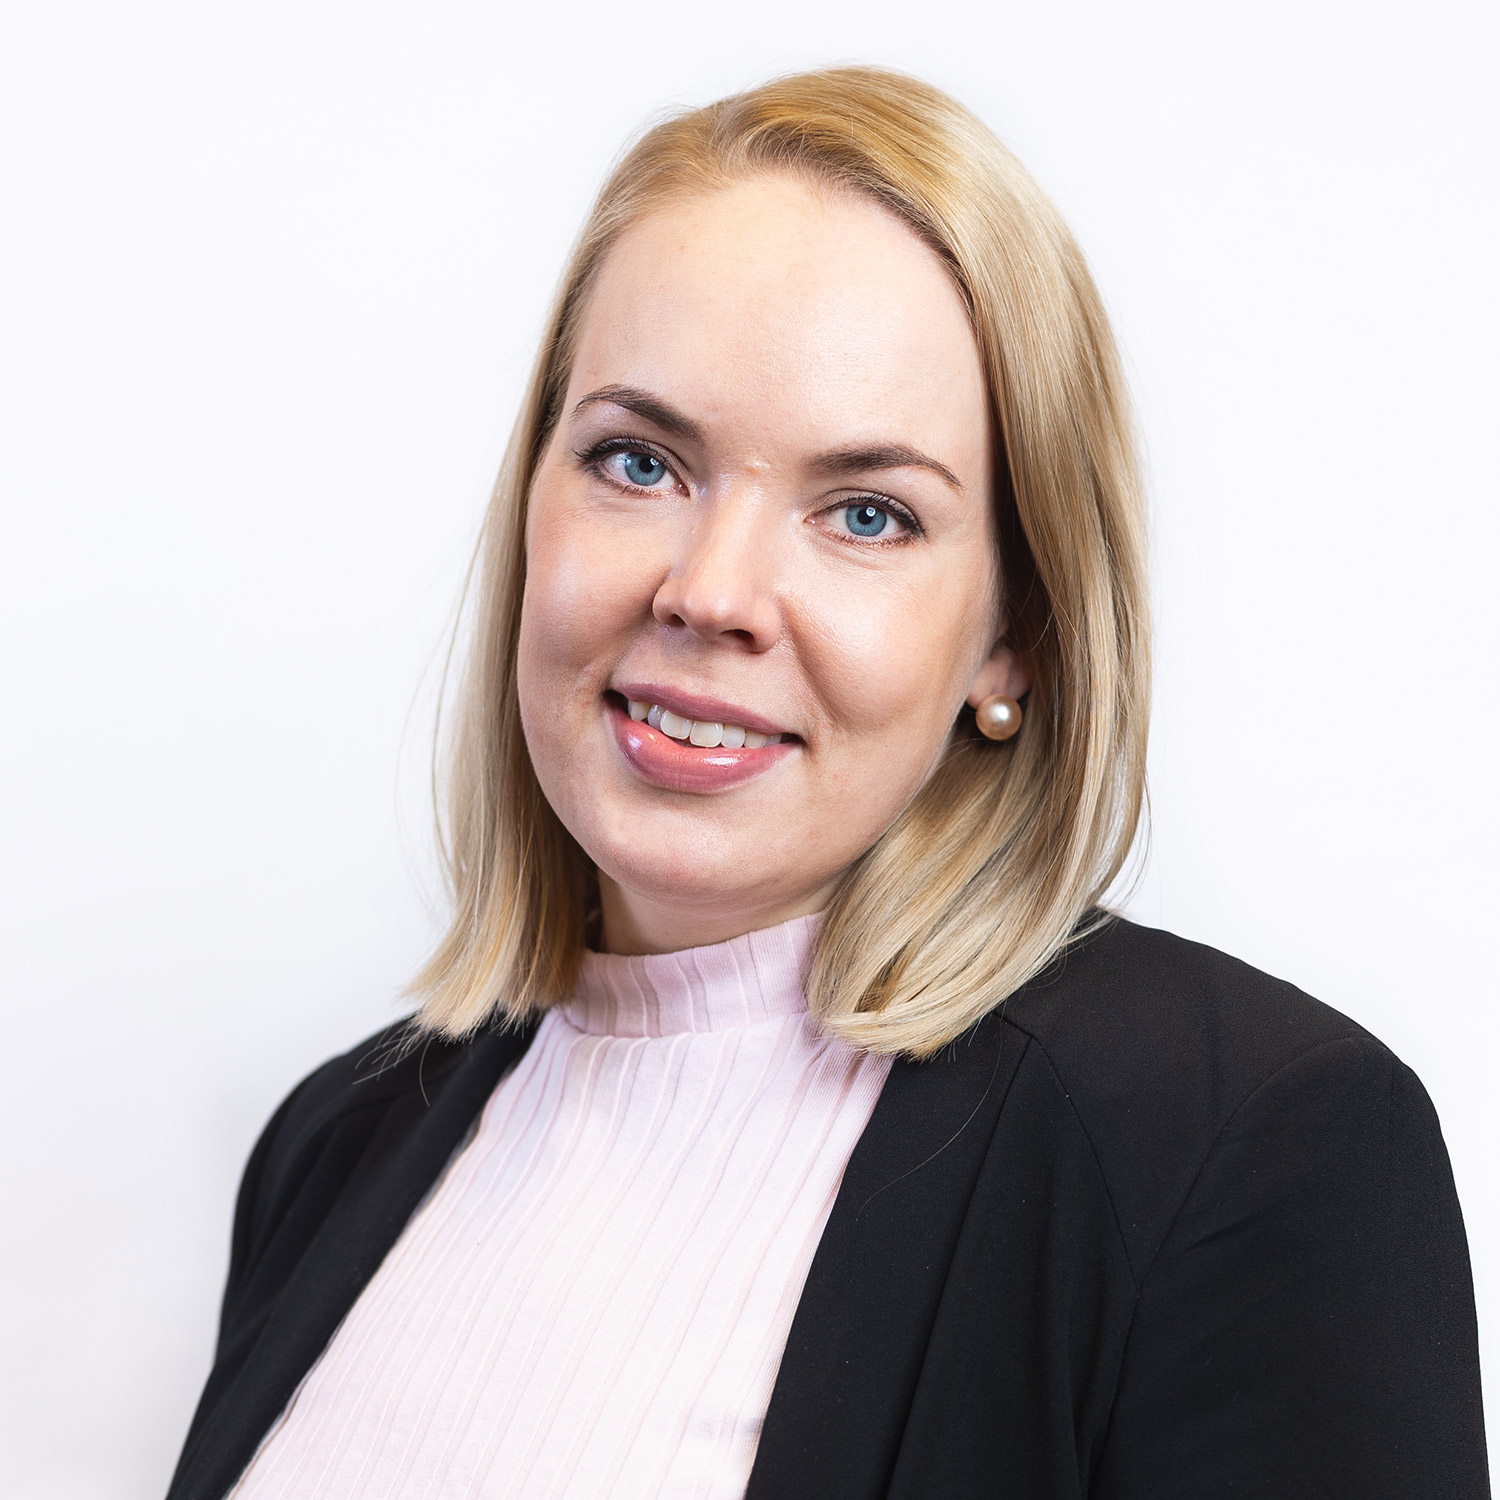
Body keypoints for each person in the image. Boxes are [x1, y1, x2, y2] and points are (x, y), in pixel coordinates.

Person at [167, 66, 1488, 1500]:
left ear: (1017, 635)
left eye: (866, 513)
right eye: (637, 461)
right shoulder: (333, 1146)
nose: (712, 591)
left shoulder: (1244, 1148)